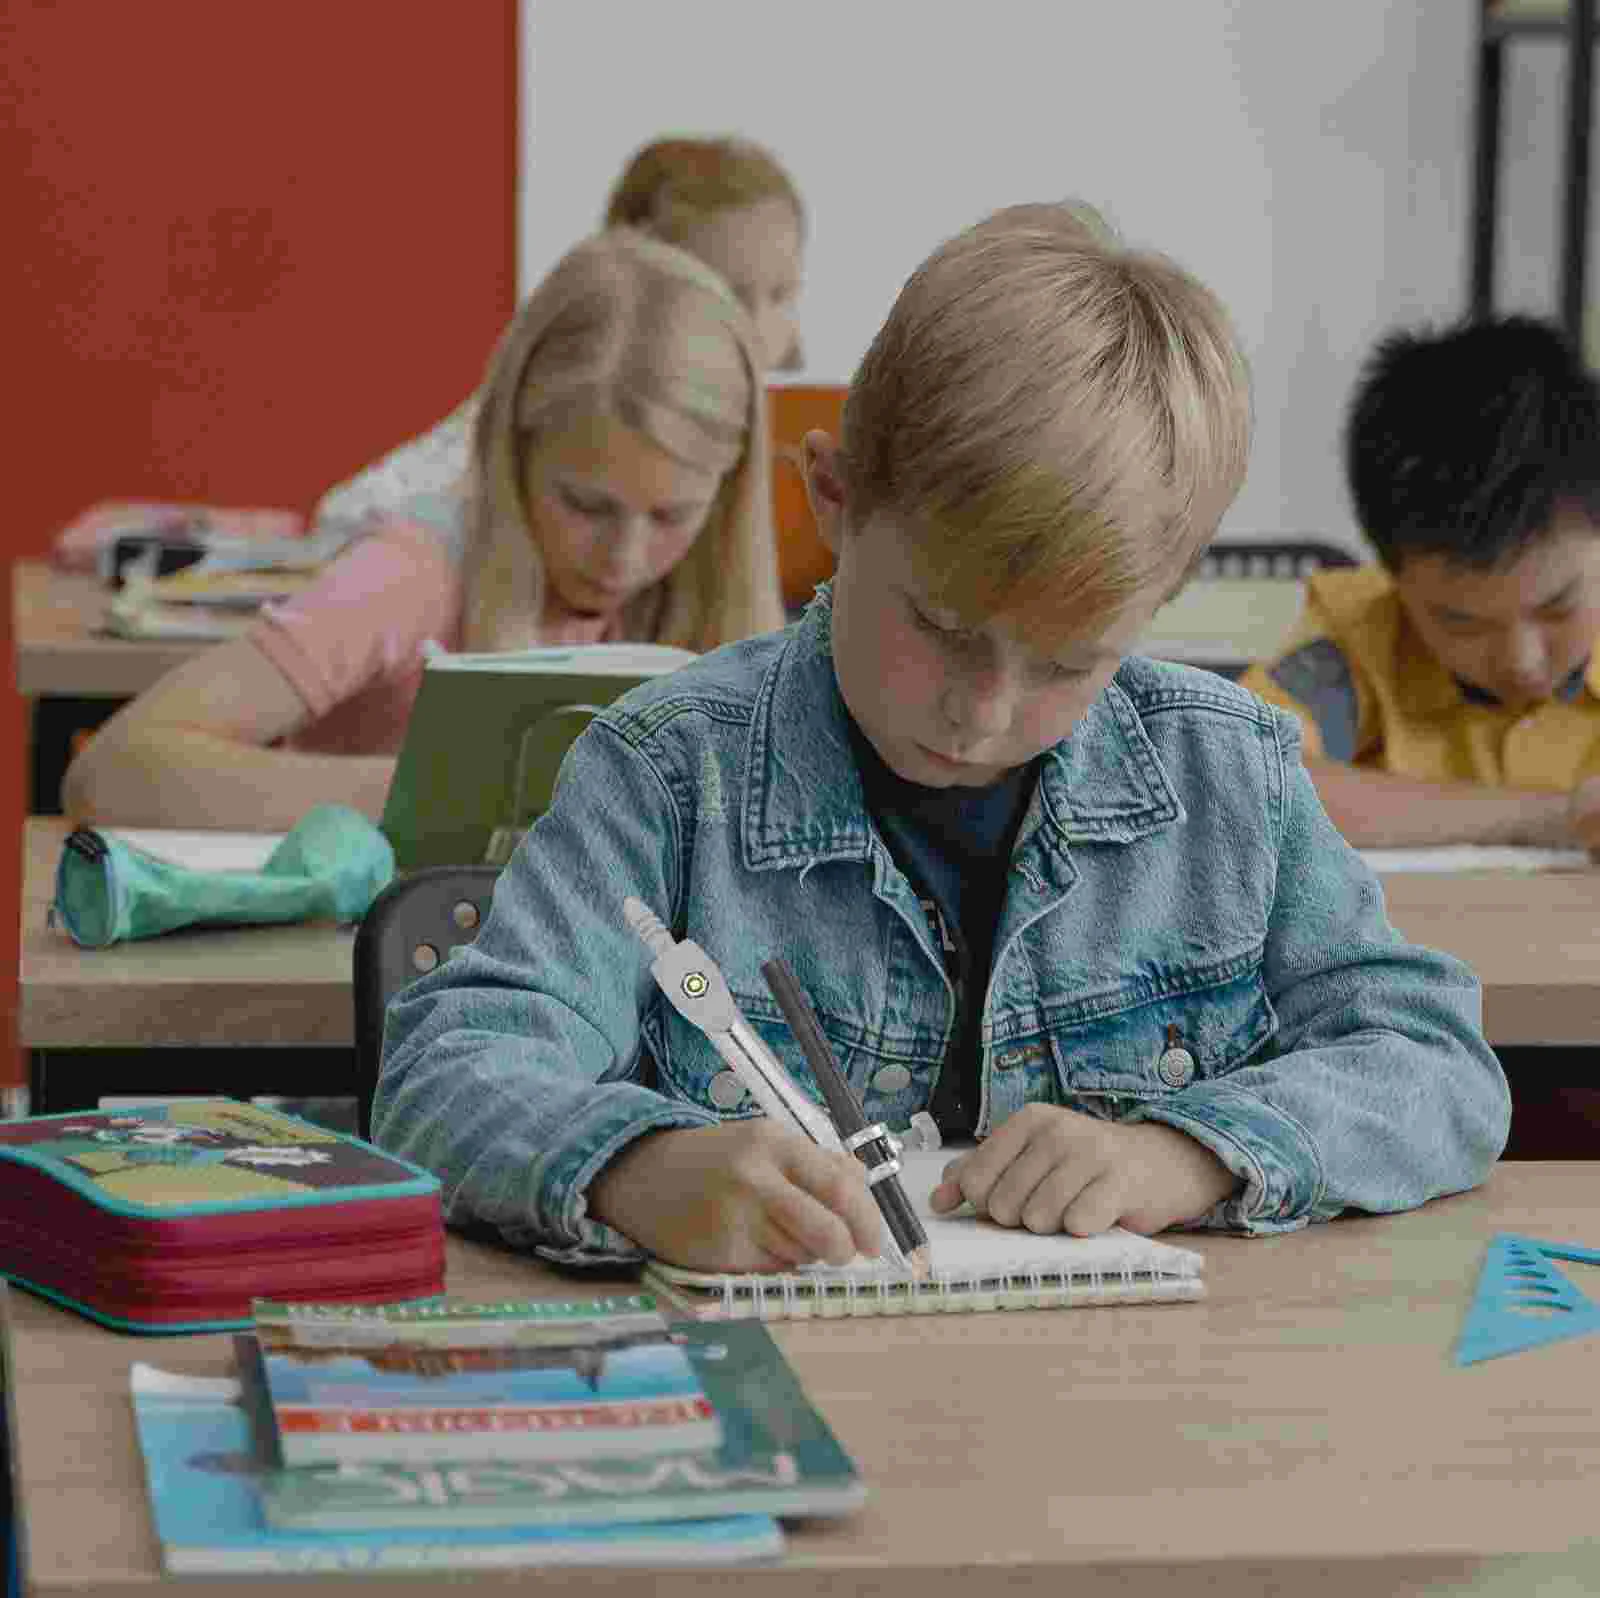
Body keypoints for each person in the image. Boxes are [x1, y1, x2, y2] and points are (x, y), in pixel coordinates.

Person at [371, 202, 1509, 1275]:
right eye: (939, 628)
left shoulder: (1230, 777)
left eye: (1065, 663)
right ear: (833, 496)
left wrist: (1183, 1152)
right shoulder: (669, 771)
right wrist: (634, 1166)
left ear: (1157, 604)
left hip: (1121, 1414)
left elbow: (1436, 1065)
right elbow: (448, 1070)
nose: (982, 710)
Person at [62, 229, 783, 829]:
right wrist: (443, 797)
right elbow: (115, 769)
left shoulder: (713, 598)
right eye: (585, 506)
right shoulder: (412, 572)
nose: (624, 558)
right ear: (514, 449)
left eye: (671, 516)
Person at [312, 135, 805, 531]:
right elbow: (352, 513)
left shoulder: (806, 422)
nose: (756, 330)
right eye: (727, 295)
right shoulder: (569, 387)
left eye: (782, 294)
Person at [1239, 316, 1600, 849]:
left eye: (1557, 608)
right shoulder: (1361, 638)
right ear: (1394, 578)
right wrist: (1553, 817)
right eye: (1460, 621)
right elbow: (1245, 781)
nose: (1521, 660)